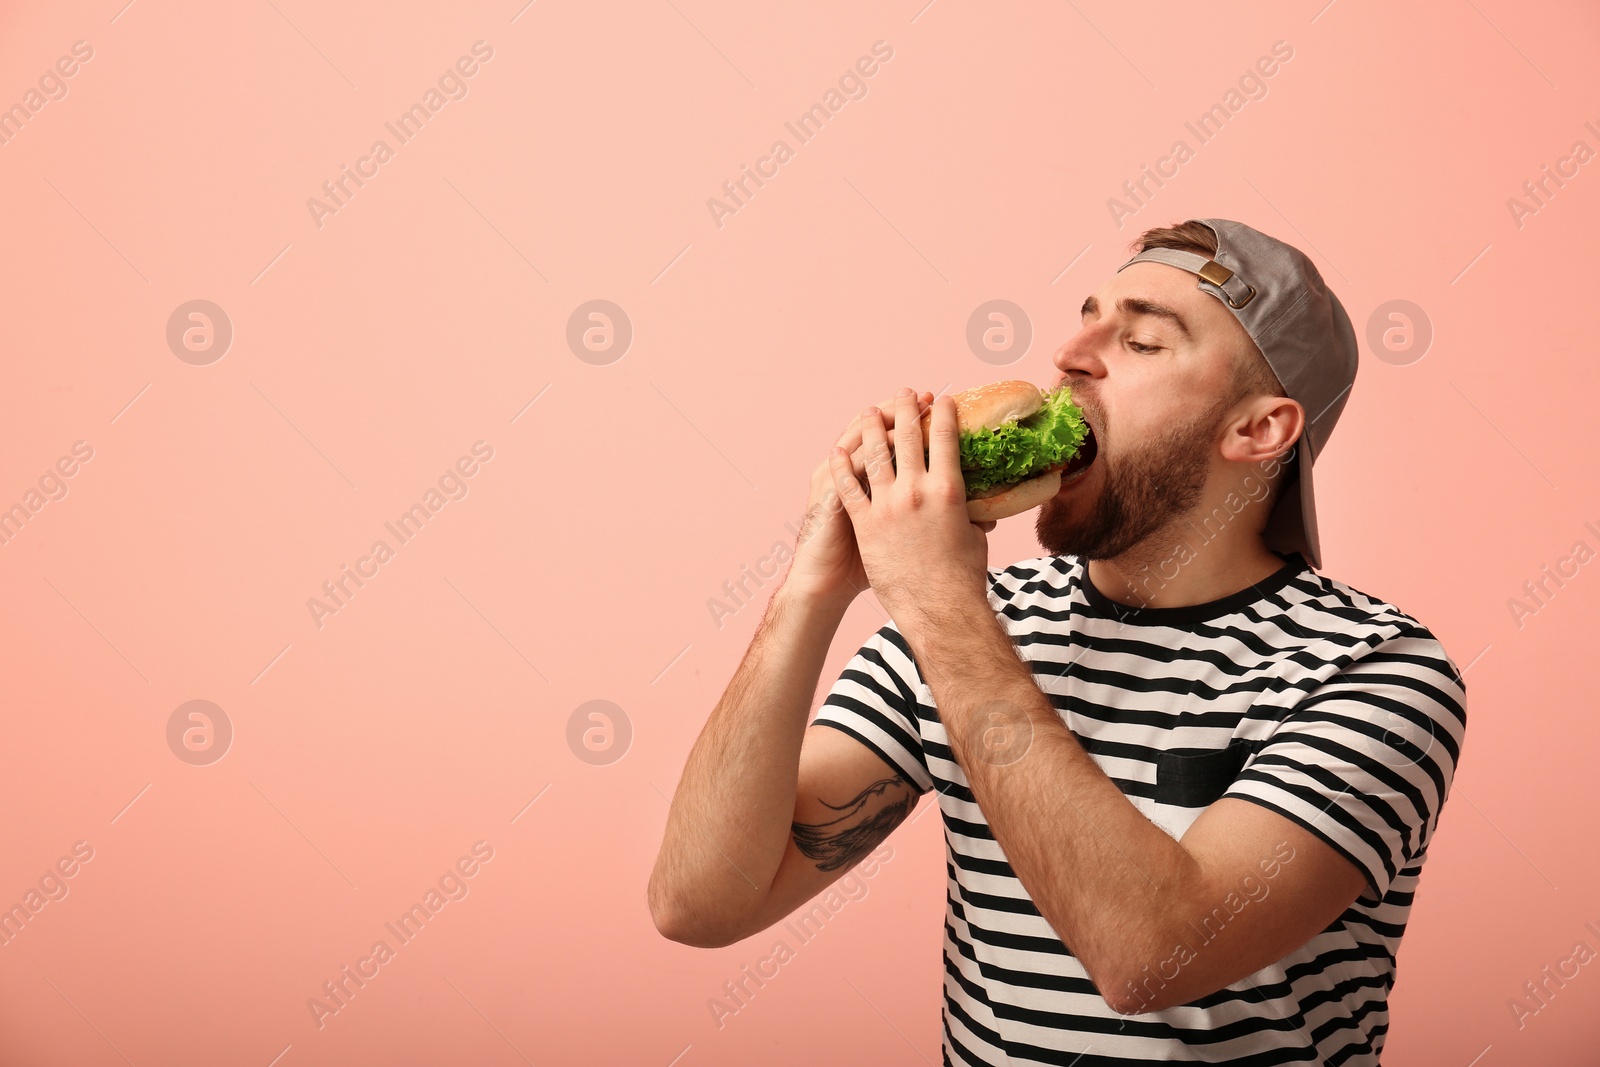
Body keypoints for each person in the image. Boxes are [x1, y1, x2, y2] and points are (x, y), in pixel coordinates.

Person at [648, 218, 1467, 1065]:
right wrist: (809, 590)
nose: (1071, 354)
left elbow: (1151, 956)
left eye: (1143, 341)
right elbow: (699, 904)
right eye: (1086, 319)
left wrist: (937, 602)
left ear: (1258, 430)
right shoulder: (967, 626)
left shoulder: (1375, 672)